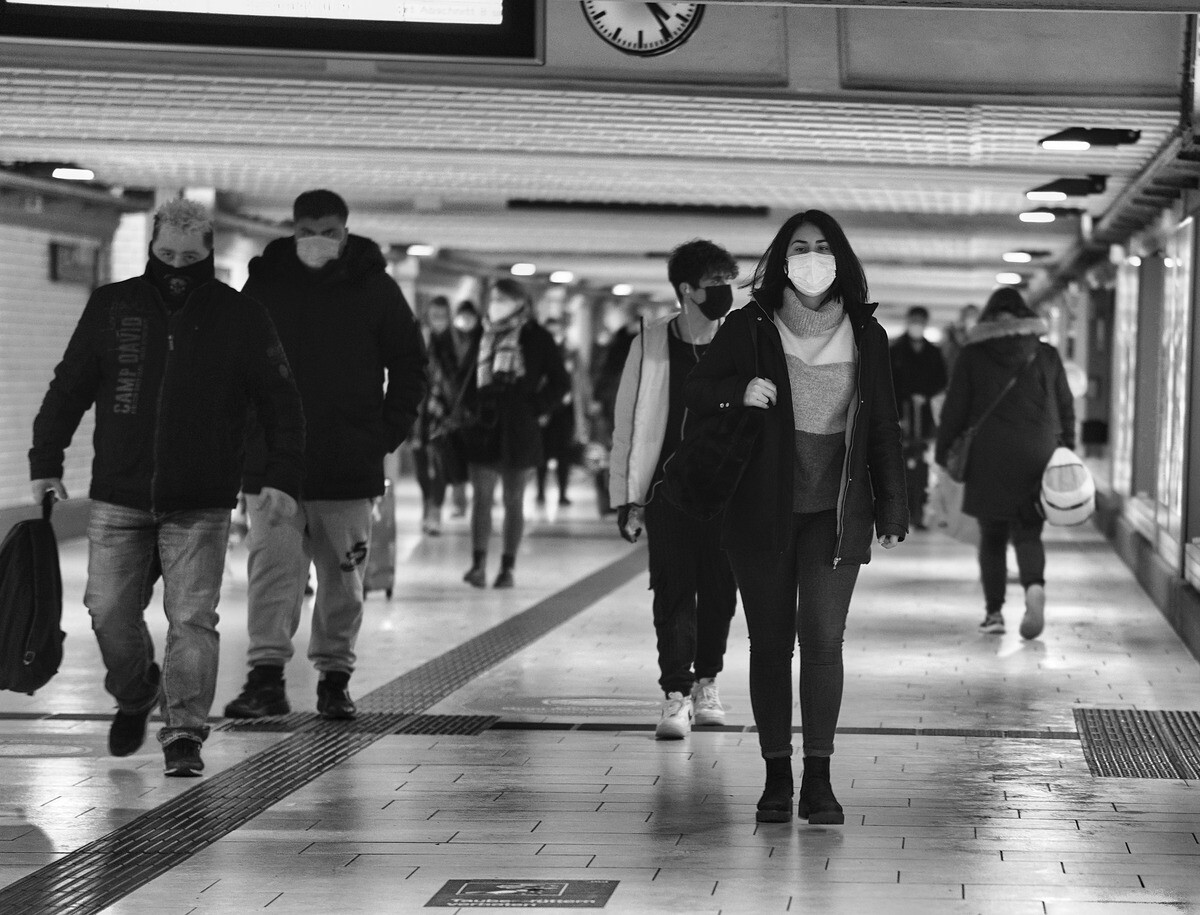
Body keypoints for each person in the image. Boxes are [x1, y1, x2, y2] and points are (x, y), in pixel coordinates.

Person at [29, 198, 305, 777]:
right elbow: (70, 384)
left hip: (201, 499)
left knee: (192, 619)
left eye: (188, 256)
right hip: (118, 492)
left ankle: (184, 732)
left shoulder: (240, 315)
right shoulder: (114, 306)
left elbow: (281, 402)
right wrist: (45, 459)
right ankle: (136, 692)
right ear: (152, 247)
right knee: (107, 611)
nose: (176, 266)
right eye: (166, 254)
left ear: (208, 252)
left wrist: (281, 476)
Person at [685, 209, 907, 825]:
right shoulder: (750, 325)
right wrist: (737, 392)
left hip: (836, 513)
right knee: (770, 644)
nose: (813, 258)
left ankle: (820, 780)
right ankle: (777, 776)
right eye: (801, 247)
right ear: (782, 259)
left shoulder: (867, 334)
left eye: (823, 246)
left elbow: (883, 424)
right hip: (762, 508)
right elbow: (699, 390)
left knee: (824, 641)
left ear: (841, 258)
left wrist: (892, 506)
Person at [224, 189, 426, 722]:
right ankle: (265, 678)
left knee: (343, 579)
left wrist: (383, 436)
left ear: (345, 232)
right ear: (293, 231)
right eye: (307, 232)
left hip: (348, 464)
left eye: (329, 232)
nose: (318, 242)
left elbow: (410, 364)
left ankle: (335, 678)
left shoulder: (374, 288)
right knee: (272, 573)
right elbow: (234, 364)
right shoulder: (266, 285)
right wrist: (243, 440)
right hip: (273, 466)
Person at [609, 239, 741, 740]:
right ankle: (676, 693)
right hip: (666, 490)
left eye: (728, 282)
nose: (724, 292)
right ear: (686, 290)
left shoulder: (742, 341)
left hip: (725, 491)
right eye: (714, 284)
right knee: (672, 590)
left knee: (720, 591)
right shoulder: (650, 344)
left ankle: (707, 683)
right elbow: (628, 424)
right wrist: (627, 498)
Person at [935, 287, 1075, 640]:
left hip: (988, 455)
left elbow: (955, 409)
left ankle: (994, 613)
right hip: (1037, 454)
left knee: (992, 536)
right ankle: (1034, 588)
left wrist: (944, 451)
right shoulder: (1045, 354)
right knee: (1028, 530)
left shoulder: (973, 354)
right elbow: (1065, 405)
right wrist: (1067, 451)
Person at [458, 278, 570, 588]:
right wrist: (471, 407)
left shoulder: (537, 337)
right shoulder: (482, 333)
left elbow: (561, 382)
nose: (496, 304)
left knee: (513, 499)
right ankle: (478, 564)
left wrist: (534, 407)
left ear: (521, 303)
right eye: (493, 298)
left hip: (520, 429)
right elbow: (464, 376)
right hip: (484, 427)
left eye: (502, 299)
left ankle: (507, 567)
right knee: (481, 499)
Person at [890, 306, 947, 530]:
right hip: (901, 415)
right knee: (900, 464)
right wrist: (901, 402)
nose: (916, 325)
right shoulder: (895, 351)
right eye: (913, 320)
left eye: (920, 321)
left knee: (922, 464)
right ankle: (899, 511)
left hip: (924, 417)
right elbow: (888, 381)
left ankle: (919, 511)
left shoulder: (933, 352)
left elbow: (941, 380)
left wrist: (925, 395)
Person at [414, 296, 456, 535]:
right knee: (420, 460)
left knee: (440, 462)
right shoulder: (418, 338)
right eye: (434, 315)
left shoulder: (454, 342)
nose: (438, 320)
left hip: (443, 411)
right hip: (418, 410)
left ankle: (435, 511)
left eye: (442, 315)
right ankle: (427, 502)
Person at [536, 315, 579, 507]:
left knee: (564, 454)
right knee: (542, 454)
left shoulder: (570, 353)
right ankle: (540, 492)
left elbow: (579, 381)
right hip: (545, 410)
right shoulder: (538, 353)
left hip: (564, 411)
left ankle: (562, 493)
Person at [446, 301, 481, 518]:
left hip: (474, 410)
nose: (465, 321)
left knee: (475, 458)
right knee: (454, 458)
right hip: (451, 408)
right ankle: (459, 501)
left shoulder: (481, 340)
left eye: (469, 317)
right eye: (462, 316)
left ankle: (480, 498)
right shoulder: (447, 341)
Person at [941, 303, 979, 378]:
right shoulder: (952, 335)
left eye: (973, 315)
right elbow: (945, 354)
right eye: (968, 315)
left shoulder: (982, 336)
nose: (970, 317)